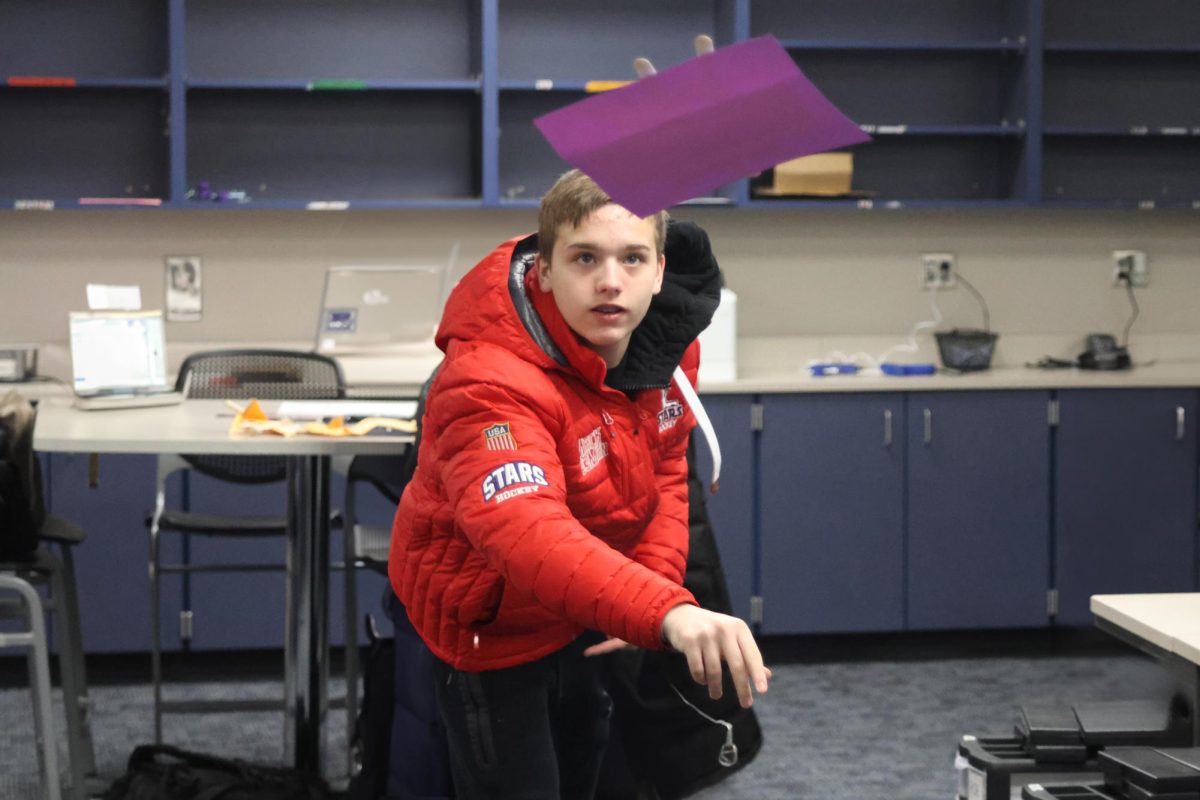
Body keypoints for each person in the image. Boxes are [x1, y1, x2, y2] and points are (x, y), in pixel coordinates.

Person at [388, 168, 770, 799]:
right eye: (584, 257)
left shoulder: (665, 348)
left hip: (590, 608)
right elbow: (525, 534)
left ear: (658, 270)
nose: (610, 281)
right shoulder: (486, 379)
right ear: (543, 269)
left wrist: (652, 580)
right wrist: (664, 609)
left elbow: (667, 472)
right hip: (490, 624)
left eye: (632, 258)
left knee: (593, 774)